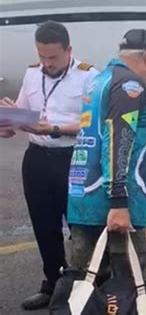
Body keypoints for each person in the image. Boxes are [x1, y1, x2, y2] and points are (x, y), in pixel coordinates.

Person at [0, 21, 98, 310]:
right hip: (37, 159)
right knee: (45, 227)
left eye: (53, 58)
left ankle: (87, 287)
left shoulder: (89, 77)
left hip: (73, 159)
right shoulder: (32, 73)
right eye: (42, 56)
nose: (47, 63)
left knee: (81, 228)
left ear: (69, 50)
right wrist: (8, 121)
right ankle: (53, 285)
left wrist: (54, 128)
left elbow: (91, 126)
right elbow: (24, 115)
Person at [67, 29, 146, 288]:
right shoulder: (130, 87)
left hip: (85, 199)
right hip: (111, 204)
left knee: (85, 288)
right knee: (131, 290)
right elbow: (118, 142)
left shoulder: (99, 81)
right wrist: (118, 201)